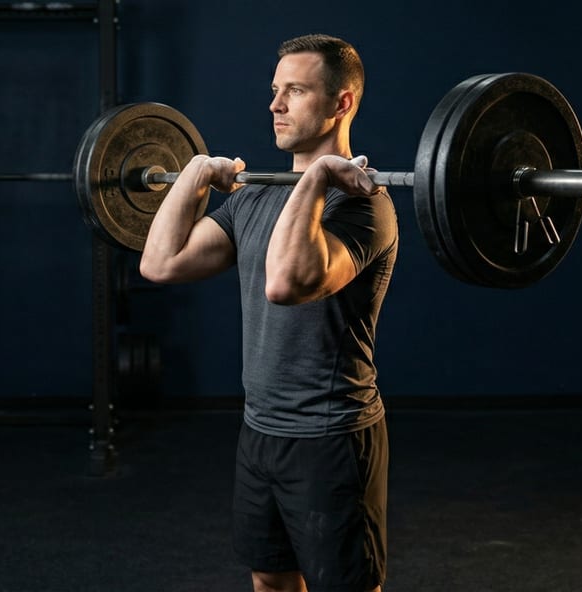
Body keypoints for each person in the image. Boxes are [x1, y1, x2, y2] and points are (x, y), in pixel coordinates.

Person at [138, 34, 396, 592]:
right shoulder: (255, 196)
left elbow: (286, 283)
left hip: (331, 436)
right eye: (275, 91)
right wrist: (193, 177)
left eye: (295, 91)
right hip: (261, 430)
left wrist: (322, 176)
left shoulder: (365, 206)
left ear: (341, 103)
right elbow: (160, 263)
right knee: (270, 578)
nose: (275, 105)